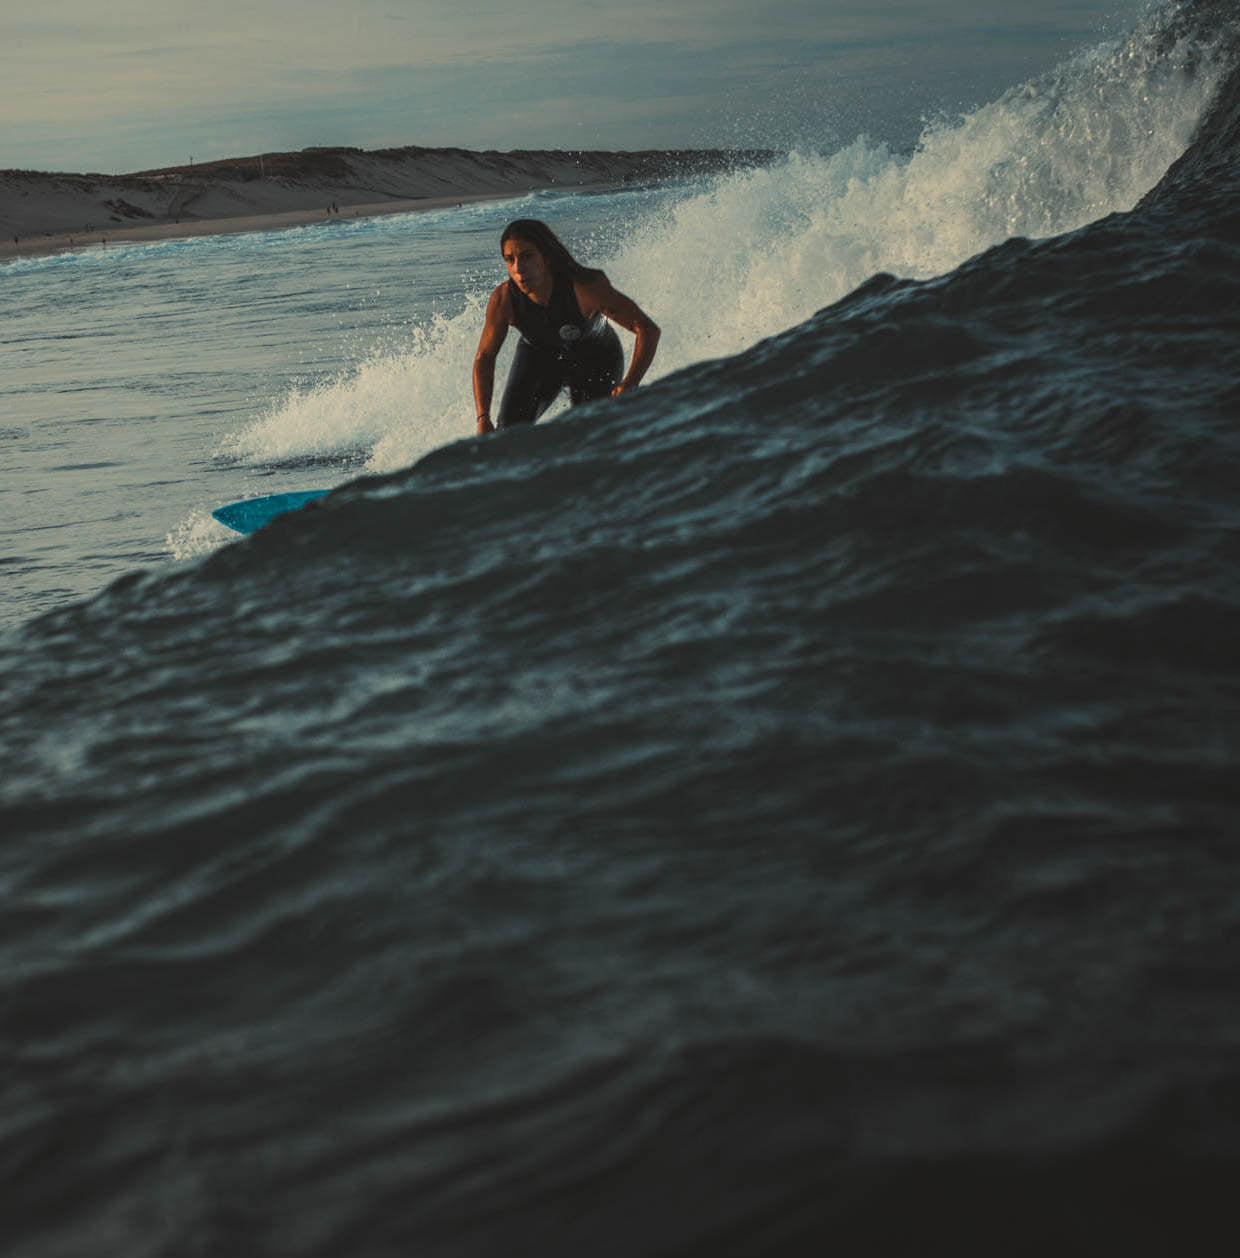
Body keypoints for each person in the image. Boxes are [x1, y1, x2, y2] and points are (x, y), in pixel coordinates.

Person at [472, 219, 660, 435]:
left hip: (597, 358)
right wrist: (483, 417)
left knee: (589, 435)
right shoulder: (504, 299)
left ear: (547, 257)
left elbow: (647, 329)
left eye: (527, 256)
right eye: (510, 259)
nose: (518, 269)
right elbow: (484, 357)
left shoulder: (585, 288)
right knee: (508, 433)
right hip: (538, 356)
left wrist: (630, 383)